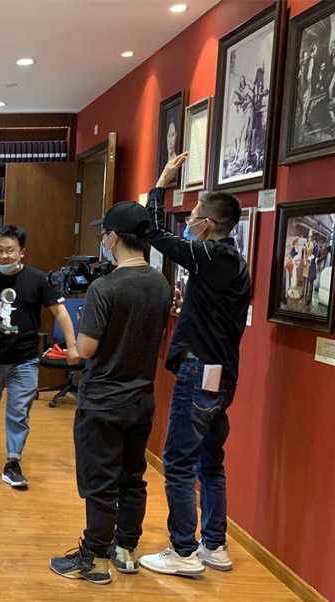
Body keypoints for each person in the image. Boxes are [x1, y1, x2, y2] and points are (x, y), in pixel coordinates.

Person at [139, 153, 251, 576]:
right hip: (223, 376)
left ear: (207, 224)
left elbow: (154, 232)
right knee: (210, 462)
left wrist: (161, 183)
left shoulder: (212, 256)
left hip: (199, 372)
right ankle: (214, 545)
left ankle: (183, 550)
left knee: (179, 463)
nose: (188, 222)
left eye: (192, 217)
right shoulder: (235, 262)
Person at [49, 202, 172, 584]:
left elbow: (87, 349)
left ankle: (95, 558)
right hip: (142, 398)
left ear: (113, 237)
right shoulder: (161, 284)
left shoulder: (105, 287)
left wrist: (73, 345)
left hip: (103, 400)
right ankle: (126, 550)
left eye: (104, 235)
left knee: (100, 483)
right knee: (132, 477)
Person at [0, 225, 79, 489]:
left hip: (24, 359)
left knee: (19, 412)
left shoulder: (38, 280)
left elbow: (61, 312)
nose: (4, 256)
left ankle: (13, 461)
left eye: (10, 250)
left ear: (22, 252)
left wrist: (72, 346)